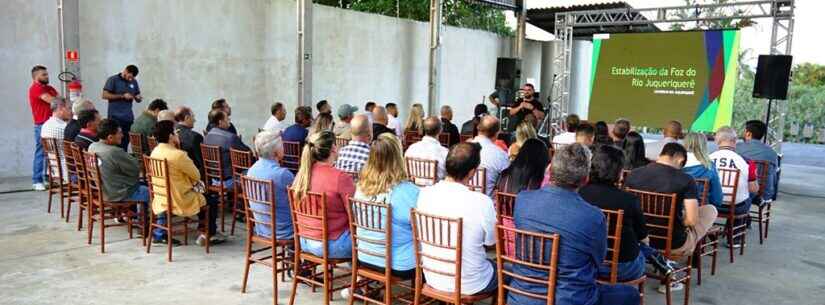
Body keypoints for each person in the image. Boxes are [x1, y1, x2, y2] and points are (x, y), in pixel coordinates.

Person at [512, 144, 639, 305]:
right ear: (585, 179)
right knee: (631, 294)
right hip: (571, 298)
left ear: (550, 171)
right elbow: (598, 261)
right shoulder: (593, 216)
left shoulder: (522, 199)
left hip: (523, 296)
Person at [579, 145, 676, 283]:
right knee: (643, 247)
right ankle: (660, 261)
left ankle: (659, 260)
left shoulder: (578, 194)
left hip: (585, 263)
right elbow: (644, 239)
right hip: (621, 268)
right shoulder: (628, 200)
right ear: (619, 172)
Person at [416, 142, 498, 295]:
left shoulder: (424, 193)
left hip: (432, 276)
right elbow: (491, 241)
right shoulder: (482, 201)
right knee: (504, 271)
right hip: (471, 283)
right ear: (472, 172)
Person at [624, 143, 718, 263]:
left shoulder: (634, 174)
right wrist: (683, 222)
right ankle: (685, 254)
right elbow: (691, 221)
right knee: (710, 210)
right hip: (672, 244)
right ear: (680, 159)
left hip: (637, 238)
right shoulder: (686, 180)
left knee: (683, 213)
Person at [352, 133, 420, 279]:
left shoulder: (360, 187)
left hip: (364, 256)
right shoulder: (408, 191)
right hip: (398, 264)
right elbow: (422, 228)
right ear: (398, 158)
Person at [149, 120, 223, 246]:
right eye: (176, 132)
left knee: (203, 195)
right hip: (179, 198)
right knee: (212, 200)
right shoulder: (178, 155)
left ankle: (161, 233)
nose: (178, 135)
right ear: (170, 136)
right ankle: (207, 234)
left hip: (162, 196)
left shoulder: (155, 152)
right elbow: (196, 175)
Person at [293, 131, 355, 258]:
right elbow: (355, 214)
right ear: (333, 148)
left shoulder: (302, 175)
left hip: (303, 240)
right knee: (373, 240)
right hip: (331, 244)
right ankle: (360, 275)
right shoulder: (340, 177)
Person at [710, 126, 759, 248]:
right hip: (735, 208)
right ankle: (735, 238)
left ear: (717, 141)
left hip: (712, 206)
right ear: (735, 141)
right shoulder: (747, 162)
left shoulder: (707, 158)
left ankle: (709, 231)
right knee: (748, 197)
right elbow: (753, 188)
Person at [88, 119, 150, 209]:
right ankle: (156, 220)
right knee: (153, 192)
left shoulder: (92, 146)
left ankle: (134, 215)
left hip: (104, 191)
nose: (122, 135)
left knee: (141, 184)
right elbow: (136, 169)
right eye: (119, 133)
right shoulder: (114, 151)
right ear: (110, 137)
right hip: (119, 193)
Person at [246, 130, 296, 240]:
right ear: (275, 152)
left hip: (262, 227)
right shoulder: (282, 174)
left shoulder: (251, 170)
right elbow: (300, 200)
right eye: (282, 145)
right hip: (284, 230)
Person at [29, 65, 59, 191]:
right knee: (41, 152)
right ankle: (37, 181)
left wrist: (59, 100)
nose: (47, 76)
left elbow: (61, 99)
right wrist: (57, 100)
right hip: (41, 124)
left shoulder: (49, 88)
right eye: (44, 75)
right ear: (36, 77)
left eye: (47, 74)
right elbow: (54, 101)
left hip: (52, 123)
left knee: (51, 153)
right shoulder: (35, 88)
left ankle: (48, 178)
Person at [204, 110, 251, 188]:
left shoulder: (207, 136)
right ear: (220, 122)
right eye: (227, 118)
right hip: (230, 181)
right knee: (256, 171)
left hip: (214, 180)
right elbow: (248, 153)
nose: (229, 120)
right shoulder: (230, 137)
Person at [101, 65, 142, 150]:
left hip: (128, 118)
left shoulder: (134, 81)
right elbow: (104, 95)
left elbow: (137, 94)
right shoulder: (113, 80)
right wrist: (122, 96)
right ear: (125, 71)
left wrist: (138, 98)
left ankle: (123, 159)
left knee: (125, 142)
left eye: (132, 77)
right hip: (115, 117)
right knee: (115, 143)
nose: (130, 79)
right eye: (129, 76)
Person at [736, 120, 779, 202]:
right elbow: (774, 177)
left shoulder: (737, 148)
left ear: (748, 133)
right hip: (763, 195)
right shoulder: (772, 153)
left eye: (743, 131)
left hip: (739, 192)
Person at [472, 115, 510, 197]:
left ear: (478, 128)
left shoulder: (462, 149)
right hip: (489, 202)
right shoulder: (500, 155)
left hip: (463, 200)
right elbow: (506, 184)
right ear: (497, 133)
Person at [682, 133, 723, 207]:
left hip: (677, 208)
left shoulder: (677, 164)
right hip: (700, 209)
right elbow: (717, 199)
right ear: (704, 145)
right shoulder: (709, 166)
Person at [40, 98, 73, 177]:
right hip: (67, 171)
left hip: (53, 171)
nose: (71, 112)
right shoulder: (64, 127)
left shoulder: (45, 125)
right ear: (61, 109)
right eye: (69, 108)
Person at [174, 106, 204, 173]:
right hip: (193, 174)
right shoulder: (195, 137)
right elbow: (201, 162)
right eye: (193, 117)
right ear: (187, 118)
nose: (195, 120)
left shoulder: (171, 133)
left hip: (176, 170)